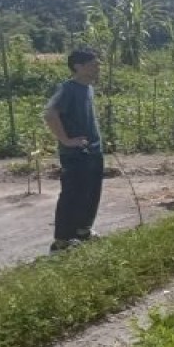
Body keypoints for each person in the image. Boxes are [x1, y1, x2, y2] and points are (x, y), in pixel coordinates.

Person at [43, 49, 105, 253]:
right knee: (72, 195)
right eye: (93, 64)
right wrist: (66, 140)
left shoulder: (88, 88)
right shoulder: (68, 89)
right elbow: (50, 114)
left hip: (93, 150)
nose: (98, 67)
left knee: (91, 193)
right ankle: (61, 241)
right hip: (76, 153)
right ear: (78, 66)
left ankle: (83, 231)